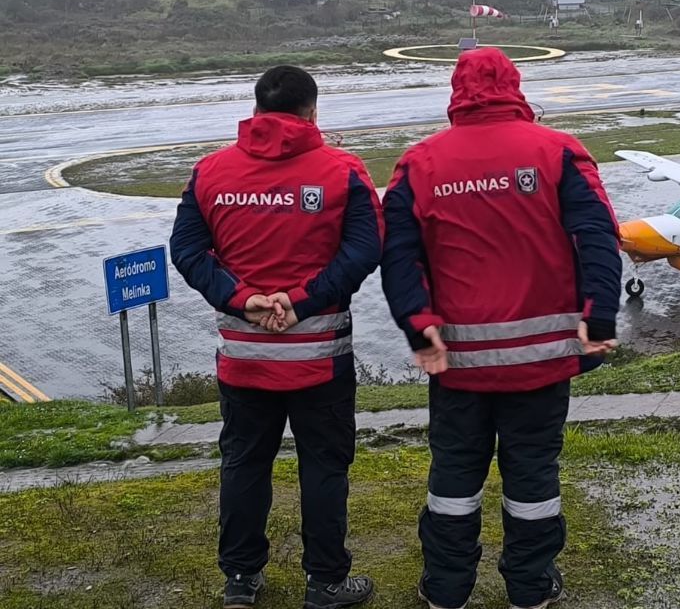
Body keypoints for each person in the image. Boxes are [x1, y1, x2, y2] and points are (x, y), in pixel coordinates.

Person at [381, 47, 622, 609]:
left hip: (456, 365)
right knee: (533, 478)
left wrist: (419, 328)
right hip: (541, 361)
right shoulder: (559, 152)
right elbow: (598, 238)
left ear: (456, 93)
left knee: (454, 482)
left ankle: (445, 588)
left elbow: (399, 258)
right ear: (515, 86)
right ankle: (531, 588)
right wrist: (599, 316)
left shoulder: (420, 164)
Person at [170, 66, 382, 609]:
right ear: (313, 110)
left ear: (257, 110)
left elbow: (188, 253)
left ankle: (241, 581)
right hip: (321, 359)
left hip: (244, 358)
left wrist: (242, 299)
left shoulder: (209, 173)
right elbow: (364, 251)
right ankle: (326, 583)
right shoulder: (344, 171)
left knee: (244, 463)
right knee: (324, 466)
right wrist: (303, 299)